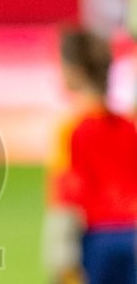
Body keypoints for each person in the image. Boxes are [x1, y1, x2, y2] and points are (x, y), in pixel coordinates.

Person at [43, 28, 137, 284]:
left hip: (97, 238)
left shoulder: (72, 129)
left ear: (74, 71)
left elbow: (67, 195)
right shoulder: (130, 126)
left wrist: (60, 260)